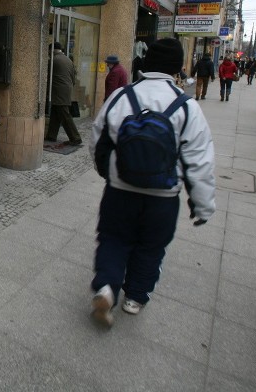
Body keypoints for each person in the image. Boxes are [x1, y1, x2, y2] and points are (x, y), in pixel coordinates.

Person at [89, 38, 216, 327]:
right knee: (151, 246)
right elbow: (200, 160)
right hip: (163, 197)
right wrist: (203, 206)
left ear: (146, 65)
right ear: (177, 68)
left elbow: (98, 138)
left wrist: (107, 172)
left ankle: (106, 287)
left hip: (120, 191)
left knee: (113, 238)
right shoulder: (187, 107)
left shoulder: (122, 97)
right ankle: (135, 297)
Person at [46, 42, 82, 146]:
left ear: (52, 50)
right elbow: (73, 78)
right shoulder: (68, 60)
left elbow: (48, 77)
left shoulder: (53, 60)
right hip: (66, 90)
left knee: (65, 115)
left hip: (58, 91)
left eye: (49, 51)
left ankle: (75, 138)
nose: (48, 53)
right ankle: (51, 136)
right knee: (55, 113)